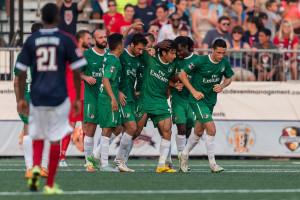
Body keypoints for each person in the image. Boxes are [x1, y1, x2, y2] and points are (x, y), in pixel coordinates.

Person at [16, 3, 86, 194]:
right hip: (58, 96)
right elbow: (77, 70)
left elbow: (21, 72)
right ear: (58, 18)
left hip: (37, 96)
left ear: (43, 18)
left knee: (37, 135)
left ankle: (35, 168)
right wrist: (78, 98)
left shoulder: (32, 40)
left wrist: (21, 97)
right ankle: (49, 185)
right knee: (54, 139)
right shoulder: (66, 39)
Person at [178, 39, 234, 173]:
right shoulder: (201, 61)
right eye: (219, 53)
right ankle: (213, 164)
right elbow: (182, 74)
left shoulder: (224, 62)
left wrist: (222, 85)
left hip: (210, 100)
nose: (221, 56)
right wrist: (193, 91)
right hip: (197, 100)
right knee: (211, 129)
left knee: (198, 131)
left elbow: (229, 78)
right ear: (212, 50)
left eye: (223, 53)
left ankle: (183, 155)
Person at [134, 39, 183, 173]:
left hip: (160, 101)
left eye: (175, 53)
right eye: (172, 53)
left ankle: (161, 165)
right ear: (163, 52)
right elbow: (132, 48)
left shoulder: (172, 66)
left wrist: (175, 84)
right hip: (145, 100)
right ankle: (120, 160)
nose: (174, 56)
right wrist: (151, 47)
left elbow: (168, 80)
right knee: (134, 132)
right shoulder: (150, 58)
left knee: (167, 130)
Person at [14, 22, 50, 179]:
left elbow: (16, 81)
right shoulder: (47, 53)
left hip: (27, 95)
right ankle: (44, 167)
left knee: (28, 131)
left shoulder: (23, 54)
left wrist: (19, 100)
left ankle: (29, 168)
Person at [113, 33, 148, 172]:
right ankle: (118, 160)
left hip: (131, 98)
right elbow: (111, 75)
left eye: (142, 50)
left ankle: (97, 156)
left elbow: (138, 81)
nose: (140, 52)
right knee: (131, 128)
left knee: (118, 129)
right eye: (139, 49)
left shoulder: (138, 61)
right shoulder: (121, 55)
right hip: (120, 97)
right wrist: (117, 92)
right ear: (131, 44)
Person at [59, 29, 92, 167]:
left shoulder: (89, 55)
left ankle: (87, 159)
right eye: (88, 39)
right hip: (73, 95)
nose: (90, 41)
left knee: (86, 127)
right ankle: (62, 157)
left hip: (87, 94)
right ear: (80, 40)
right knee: (70, 126)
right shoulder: (70, 55)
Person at [80, 29, 108, 172]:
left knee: (108, 130)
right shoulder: (87, 55)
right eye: (100, 37)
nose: (104, 39)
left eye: (105, 36)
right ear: (94, 39)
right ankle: (88, 163)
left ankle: (99, 158)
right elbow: (75, 72)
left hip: (107, 98)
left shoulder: (110, 55)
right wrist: (85, 77)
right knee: (90, 129)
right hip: (92, 98)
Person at [97, 33, 124, 172]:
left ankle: (96, 155)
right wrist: (113, 98)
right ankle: (104, 164)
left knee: (118, 127)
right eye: (123, 43)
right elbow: (106, 79)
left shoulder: (108, 55)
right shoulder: (114, 61)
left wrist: (130, 28)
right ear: (119, 46)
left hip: (109, 96)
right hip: (108, 98)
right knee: (107, 130)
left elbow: (116, 39)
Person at [172, 36, 198, 158]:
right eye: (176, 51)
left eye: (180, 50)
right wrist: (177, 79)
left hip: (192, 99)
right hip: (177, 98)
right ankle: (181, 156)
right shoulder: (174, 59)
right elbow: (168, 75)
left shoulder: (197, 60)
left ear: (187, 47)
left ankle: (185, 154)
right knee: (181, 127)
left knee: (188, 128)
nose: (177, 54)